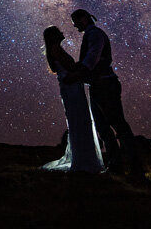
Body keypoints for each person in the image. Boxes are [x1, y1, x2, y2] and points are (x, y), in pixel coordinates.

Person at [61, 8, 146, 181]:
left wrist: (76, 74)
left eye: (75, 22)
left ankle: (135, 167)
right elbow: (89, 61)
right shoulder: (92, 35)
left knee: (117, 124)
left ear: (84, 18)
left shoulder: (95, 35)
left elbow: (92, 58)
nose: (75, 26)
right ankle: (116, 166)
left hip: (105, 84)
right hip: (98, 85)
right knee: (103, 127)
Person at [40, 26, 105, 174]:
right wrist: (83, 66)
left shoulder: (54, 49)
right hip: (71, 88)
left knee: (78, 120)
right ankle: (84, 161)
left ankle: (84, 159)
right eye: (59, 31)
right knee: (80, 120)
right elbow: (70, 67)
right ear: (54, 35)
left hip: (70, 87)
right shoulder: (56, 48)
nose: (63, 32)